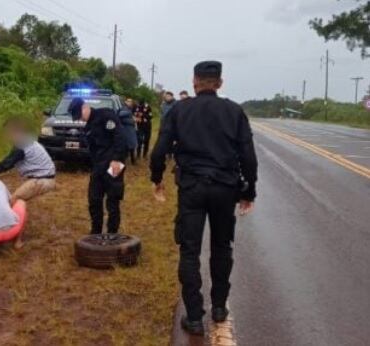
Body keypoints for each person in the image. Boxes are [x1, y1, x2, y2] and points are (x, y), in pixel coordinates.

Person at [150, 61, 258, 336]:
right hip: (225, 188)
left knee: (189, 250)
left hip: (192, 187)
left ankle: (195, 316)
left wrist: (157, 178)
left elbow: (160, 149)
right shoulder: (234, 111)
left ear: (195, 81)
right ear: (219, 83)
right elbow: (248, 156)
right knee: (222, 247)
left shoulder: (179, 110)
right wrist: (248, 191)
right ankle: (219, 307)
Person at [68, 98, 127, 235]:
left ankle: (112, 233)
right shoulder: (88, 126)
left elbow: (120, 137)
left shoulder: (106, 116)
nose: (80, 120)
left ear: (85, 107)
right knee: (94, 199)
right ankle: (96, 232)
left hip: (114, 164)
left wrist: (117, 159)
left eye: (80, 115)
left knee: (112, 200)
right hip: (98, 167)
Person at [0, 119, 56, 202]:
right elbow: (10, 161)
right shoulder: (27, 140)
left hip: (40, 180)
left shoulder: (22, 144)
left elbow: (6, 164)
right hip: (45, 178)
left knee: (12, 201)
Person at [120, 98, 139, 165]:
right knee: (126, 147)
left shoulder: (130, 109)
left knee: (132, 146)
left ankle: (133, 161)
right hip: (126, 130)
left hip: (131, 130)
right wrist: (132, 120)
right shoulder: (124, 108)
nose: (130, 103)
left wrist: (134, 120)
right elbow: (120, 115)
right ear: (125, 102)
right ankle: (123, 161)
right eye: (128, 101)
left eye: (131, 101)